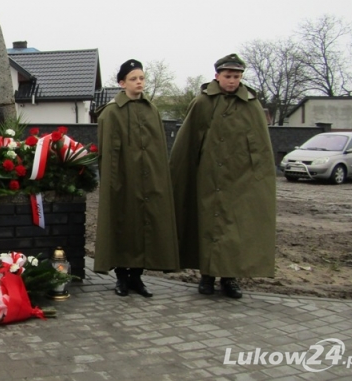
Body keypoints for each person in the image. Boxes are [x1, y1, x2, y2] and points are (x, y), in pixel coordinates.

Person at [169, 53, 276, 299]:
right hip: (207, 177)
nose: (232, 81)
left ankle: (230, 278)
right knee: (207, 226)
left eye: (236, 76)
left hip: (239, 180)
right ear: (217, 76)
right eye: (227, 76)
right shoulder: (203, 103)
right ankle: (206, 276)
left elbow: (260, 147)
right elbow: (187, 143)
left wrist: (258, 179)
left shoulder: (251, 104)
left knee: (235, 229)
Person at [93, 59, 179, 297]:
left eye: (141, 78)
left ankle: (137, 278)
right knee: (123, 224)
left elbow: (159, 149)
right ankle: (121, 277)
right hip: (123, 181)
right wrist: (113, 184)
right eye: (133, 78)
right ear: (122, 83)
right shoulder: (111, 113)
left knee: (145, 226)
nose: (139, 82)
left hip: (149, 181)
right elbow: (108, 154)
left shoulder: (152, 110)